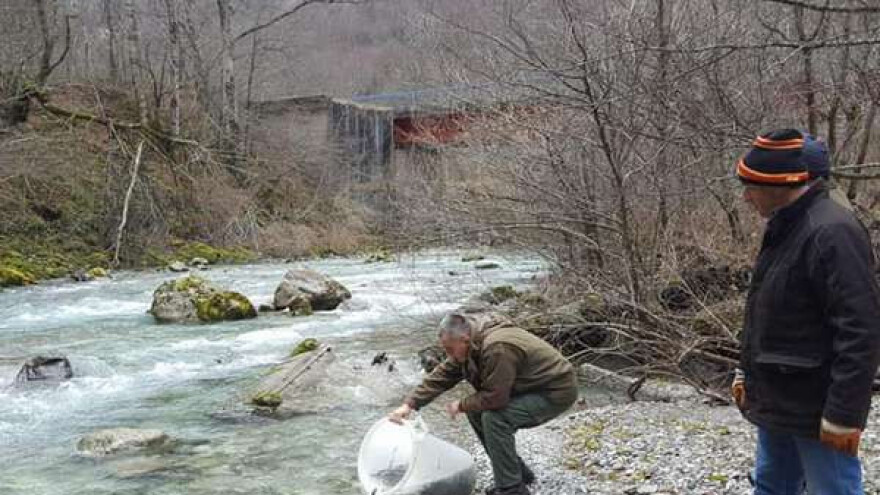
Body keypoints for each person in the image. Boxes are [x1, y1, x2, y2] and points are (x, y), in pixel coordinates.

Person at [732, 128, 880, 494]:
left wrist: (843, 416)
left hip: (816, 405)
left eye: (752, 185)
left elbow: (861, 331)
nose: (746, 196)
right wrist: (745, 372)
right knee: (771, 485)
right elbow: (771, 312)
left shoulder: (831, 231)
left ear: (782, 184)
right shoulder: (787, 222)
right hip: (780, 395)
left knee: (834, 490)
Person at [389, 312, 578, 495]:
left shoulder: (497, 347)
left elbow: (496, 397)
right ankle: (517, 473)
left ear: (464, 339)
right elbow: (442, 375)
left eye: (450, 350)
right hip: (531, 386)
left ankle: (512, 489)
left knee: (495, 418)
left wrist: (460, 405)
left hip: (555, 391)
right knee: (476, 412)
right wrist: (409, 404)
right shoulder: (469, 344)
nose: (449, 355)